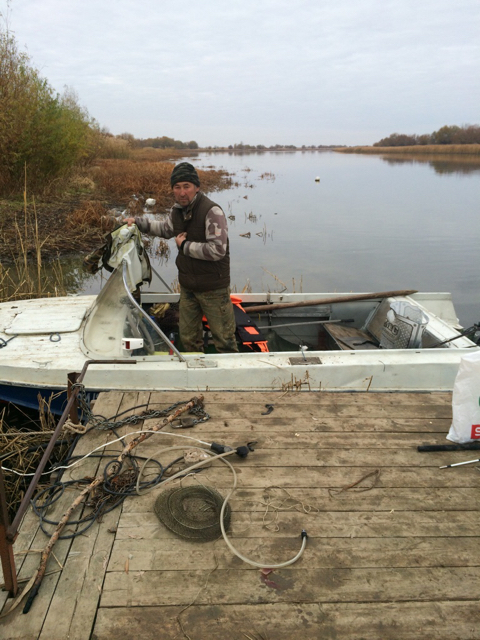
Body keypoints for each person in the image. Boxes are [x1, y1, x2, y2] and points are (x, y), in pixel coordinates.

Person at [125, 162, 238, 353]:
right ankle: (195, 371)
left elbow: (218, 250)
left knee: (225, 341)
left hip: (213, 289)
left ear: (197, 187)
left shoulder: (212, 211)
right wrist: (138, 223)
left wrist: (185, 246)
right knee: (188, 339)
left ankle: (231, 371)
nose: (182, 192)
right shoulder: (177, 211)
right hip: (188, 288)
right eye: (177, 187)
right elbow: (165, 229)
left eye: (187, 186)